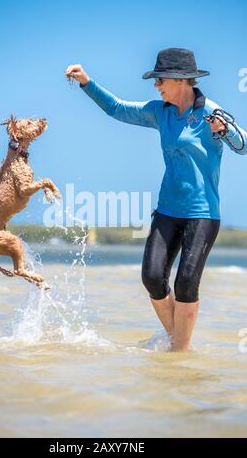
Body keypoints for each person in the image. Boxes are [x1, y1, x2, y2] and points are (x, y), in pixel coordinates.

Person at [65, 48, 247, 351]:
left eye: (160, 79)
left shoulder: (210, 112)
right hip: (167, 210)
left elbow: (243, 146)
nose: (156, 85)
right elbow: (117, 108)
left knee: (186, 283)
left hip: (202, 213)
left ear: (181, 80)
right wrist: (87, 82)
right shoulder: (159, 111)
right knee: (152, 277)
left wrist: (225, 130)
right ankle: (179, 347)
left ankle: (179, 352)